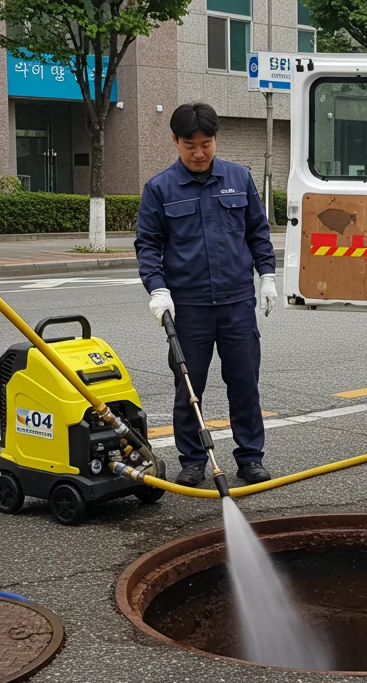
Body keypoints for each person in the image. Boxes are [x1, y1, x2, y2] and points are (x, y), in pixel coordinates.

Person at [135, 103, 277, 488]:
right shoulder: (160, 188)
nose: (199, 153)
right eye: (189, 145)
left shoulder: (238, 178)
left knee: (244, 382)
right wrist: (158, 288)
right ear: (175, 142)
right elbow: (148, 245)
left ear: (216, 140)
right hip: (189, 305)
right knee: (188, 386)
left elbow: (257, 233)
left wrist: (267, 275)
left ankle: (250, 458)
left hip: (235, 302)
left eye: (206, 144)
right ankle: (194, 461)